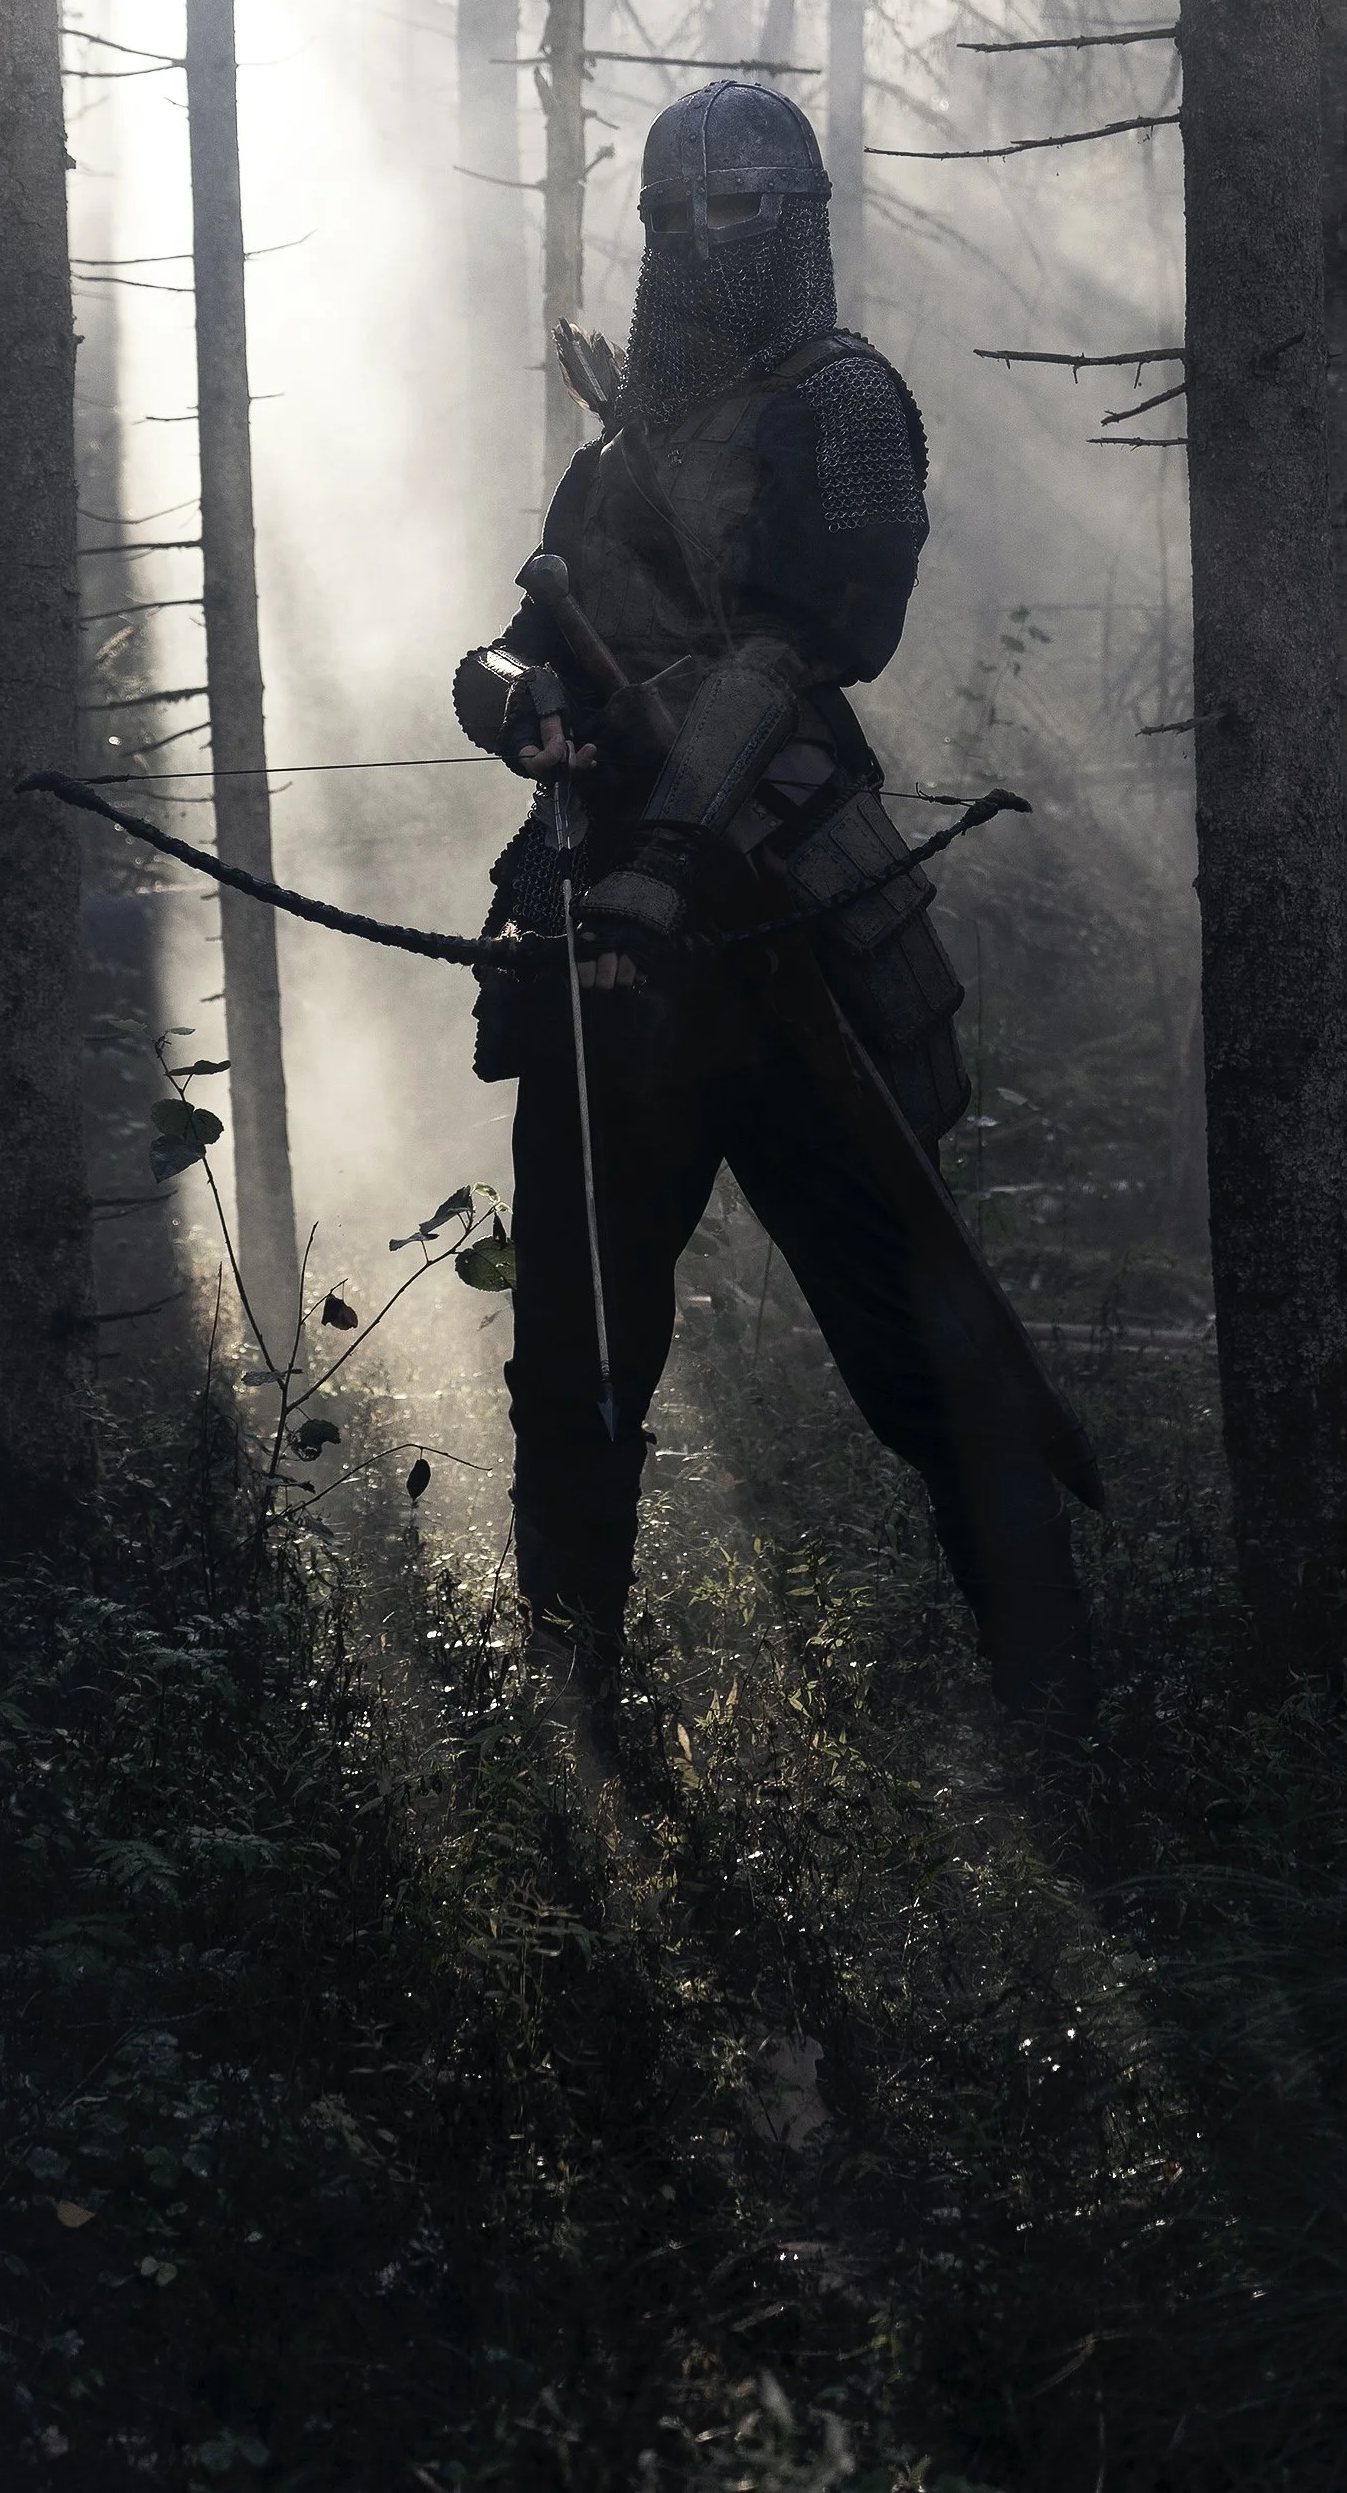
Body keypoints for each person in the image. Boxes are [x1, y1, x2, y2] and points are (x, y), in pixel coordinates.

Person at [451, 83, 1096, 1716]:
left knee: (913, 1340)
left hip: (782, 904)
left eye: (737, 207)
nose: (701, 237)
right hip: (604, 945)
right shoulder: (613, 453)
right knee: (575, 1352)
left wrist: (679, 843)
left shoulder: (840, 401)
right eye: (675, 211)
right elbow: (524, 639)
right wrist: (505, 695)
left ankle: (1058, 1699)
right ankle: (570, 1705)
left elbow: (809, 642)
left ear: (793, 214)